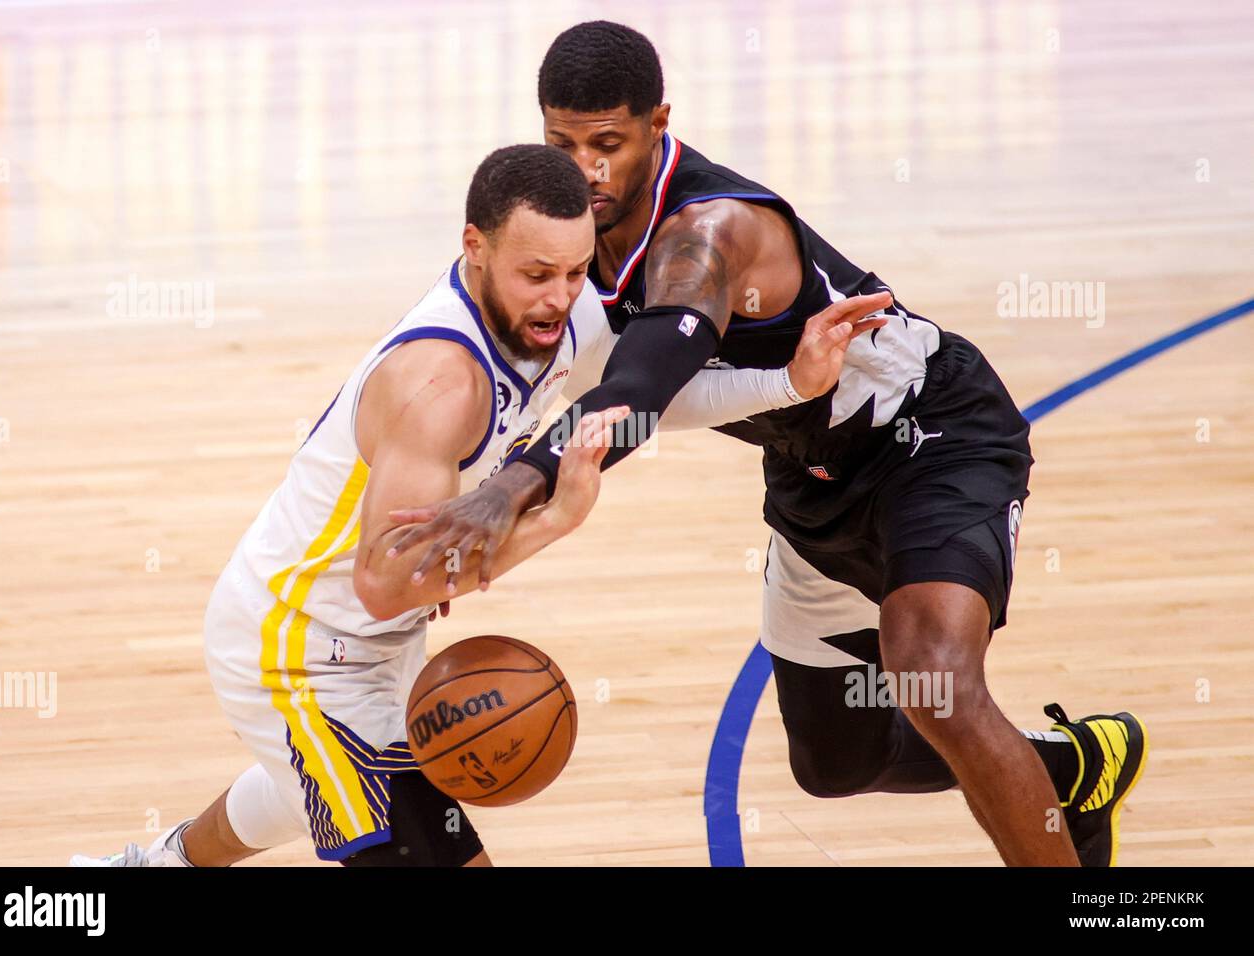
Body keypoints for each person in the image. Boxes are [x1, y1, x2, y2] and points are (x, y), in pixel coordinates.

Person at [386, 22, 1148, 867]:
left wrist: (504, 493)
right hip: (810, 476)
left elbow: (642, 387)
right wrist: (467, 510)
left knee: (935, 678)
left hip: (931, 439)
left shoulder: (710, 233)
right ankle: (1067, 769)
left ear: (658, 124)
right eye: (564, 143)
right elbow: (594, 394)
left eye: (609, 143)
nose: (587, 169)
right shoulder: (570, 240)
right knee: (835, 765)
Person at [70, 142, 879, 868]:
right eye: (536, 275)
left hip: (377, 639)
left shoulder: (561, 314)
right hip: (299, 650)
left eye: (574, 271)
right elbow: (388, 582)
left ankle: (155, 868)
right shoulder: (437, 386)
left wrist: (786, 383)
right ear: (474, 248)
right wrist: (553, 521)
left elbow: (645, 399)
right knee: (369, 798)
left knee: (302, 789)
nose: (560, 298)